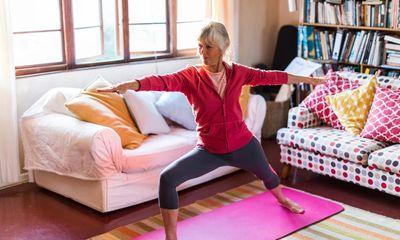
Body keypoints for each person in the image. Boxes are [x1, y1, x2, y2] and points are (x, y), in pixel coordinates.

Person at [98, 21, 326, 240]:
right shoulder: (190, 77)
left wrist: (310, 80)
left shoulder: (238, 72)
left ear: (223, 48)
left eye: (208, 47)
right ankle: (171, 236)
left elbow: (273, 76)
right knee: (167, 179)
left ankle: (282, 199)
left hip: (243, 144)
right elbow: (161, 81)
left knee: (267, 174)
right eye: (199, 45)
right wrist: (130, 85)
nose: (202, 52)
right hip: (209, 150)